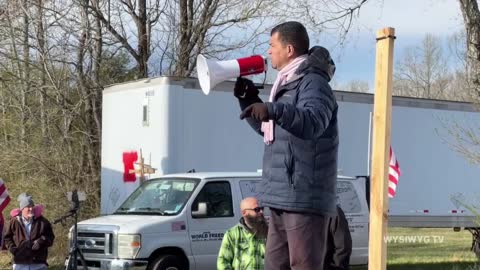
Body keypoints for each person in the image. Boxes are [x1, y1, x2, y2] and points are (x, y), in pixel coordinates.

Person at [234, 21, 338, 270]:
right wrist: (249, 100)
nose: (268, 51)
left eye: (272, 45)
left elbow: (313, 122)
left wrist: (272, 109)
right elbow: (273, 131)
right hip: (282, 195)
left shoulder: (313, 83)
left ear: (289, 49)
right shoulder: (287, 85)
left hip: (303, 196)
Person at [4, 193, 55, 270]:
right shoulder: (14, 222)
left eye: (32, 206)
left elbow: (50, 238)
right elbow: (7, 238)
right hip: (20, 264)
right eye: (28, 207)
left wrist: (41, 241)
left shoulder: (43, 221)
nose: (31, 209)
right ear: (22, 209)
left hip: (39, 263)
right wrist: (14, 250)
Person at [217, 197, 268, 270]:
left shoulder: (269, 232)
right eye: (257, 209)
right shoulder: (231, 234)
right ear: (244, 213)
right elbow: (223, 262)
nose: (261, 212)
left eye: (262, 208)